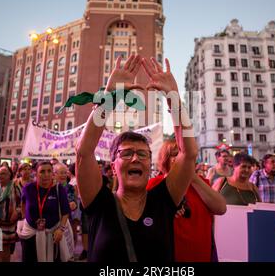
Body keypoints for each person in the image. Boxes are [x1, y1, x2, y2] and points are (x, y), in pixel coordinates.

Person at [75, 55, 198, 262]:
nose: (135, 159)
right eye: (126, 153)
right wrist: (110, 97)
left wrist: (174, 99)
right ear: (113, 166)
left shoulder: (164, 199)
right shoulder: (99, 202)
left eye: (142, 154)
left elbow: (189, 153)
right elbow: (83, 152)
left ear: (150, 164)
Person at [147, 139, 226, 262]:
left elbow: (221, 208)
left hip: (201, 255)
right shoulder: (155, 184)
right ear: (166, 159)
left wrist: (191, 176)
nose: (181, 157)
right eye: (175, 155)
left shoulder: (201, 182)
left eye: (185, 154)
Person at [18, 162, 71, 262]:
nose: (46, 174)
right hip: (31, 234)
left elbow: (65, 212)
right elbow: (23, 203)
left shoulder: (59, 189)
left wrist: (61, 229)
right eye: (42, 171)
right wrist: (25, 218)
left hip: (53, 235)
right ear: (36, 173)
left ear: (52, 173)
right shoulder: (28, 188)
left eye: (49, 171)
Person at [0, 165, 20, 262]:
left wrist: (17, 212)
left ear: (10, 175)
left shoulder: (15, 188)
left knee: (5, 249)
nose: (1, 176)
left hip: (9, 225)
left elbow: (23, 203)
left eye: (4, 173)